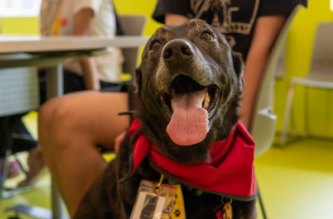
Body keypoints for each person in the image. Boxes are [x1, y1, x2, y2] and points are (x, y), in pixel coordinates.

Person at [38, 0, 306, 216]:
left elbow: (258, 55)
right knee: (53, 112)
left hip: (230, 92)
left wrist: (234, 141)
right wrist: (138, 126)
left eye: (205, 37)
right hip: (166, 92)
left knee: (63, 117)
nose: (177, 48)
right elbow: (172, 38)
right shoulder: (168, 54)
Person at [0, 0, 123, 189]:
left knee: (6, 96)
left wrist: (94, 97)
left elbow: (84, 49)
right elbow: (47, 46)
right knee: (1, 93)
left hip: (92, 76)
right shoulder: (50, 3)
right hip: (60, 70)